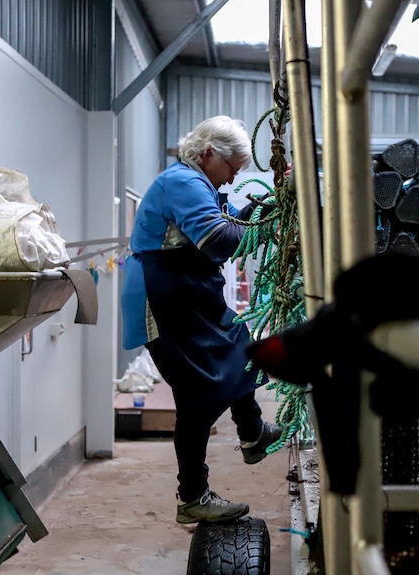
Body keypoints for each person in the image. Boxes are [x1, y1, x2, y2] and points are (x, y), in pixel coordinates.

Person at [120, 115, 282, 524]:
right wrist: (265, 217)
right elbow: (220, 241)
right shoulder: (183, 183)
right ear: (210, 154)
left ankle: (252, 432)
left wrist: (272, 203)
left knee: (242, 344)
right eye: (232, 169)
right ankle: (192, 495)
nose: (231, 181)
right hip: (165, 296)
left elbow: (229, 225)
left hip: (188, 292)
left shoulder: (200, 184)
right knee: (194, 394)